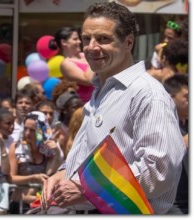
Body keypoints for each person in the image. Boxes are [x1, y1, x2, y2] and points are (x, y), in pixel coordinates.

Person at [41, 2, 186, 215]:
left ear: (128, 43)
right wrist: (62, 175)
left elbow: (159, 170)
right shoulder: (101, 92)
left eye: (103, 39)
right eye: (86, 39)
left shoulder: (147, 93)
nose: (91, 47)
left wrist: (88, 190)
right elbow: (85, 156)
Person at [8, 111, 63, 214]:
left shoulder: (47, 150)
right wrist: (33, 177)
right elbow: (11, 178)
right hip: (19, 204)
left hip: (39, 204)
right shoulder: (16, 147)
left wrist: (56, 152)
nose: (27, 133)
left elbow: (49, 175)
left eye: (32, 130)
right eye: (25, 128)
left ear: (40, 131)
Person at [163, 74, 188, 214]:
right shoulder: (161, 125)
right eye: (187, 97)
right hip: (172, 206)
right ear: (170, 98)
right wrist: (182, 144)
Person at [54, 26, 94, 103]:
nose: (79, 42)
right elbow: (87, 80)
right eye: (75, 39)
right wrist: (93, 59)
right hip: (84, 103)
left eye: (79, 39)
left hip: (100, 99)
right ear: (64, 42)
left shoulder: (86, 55)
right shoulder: (66, 64)